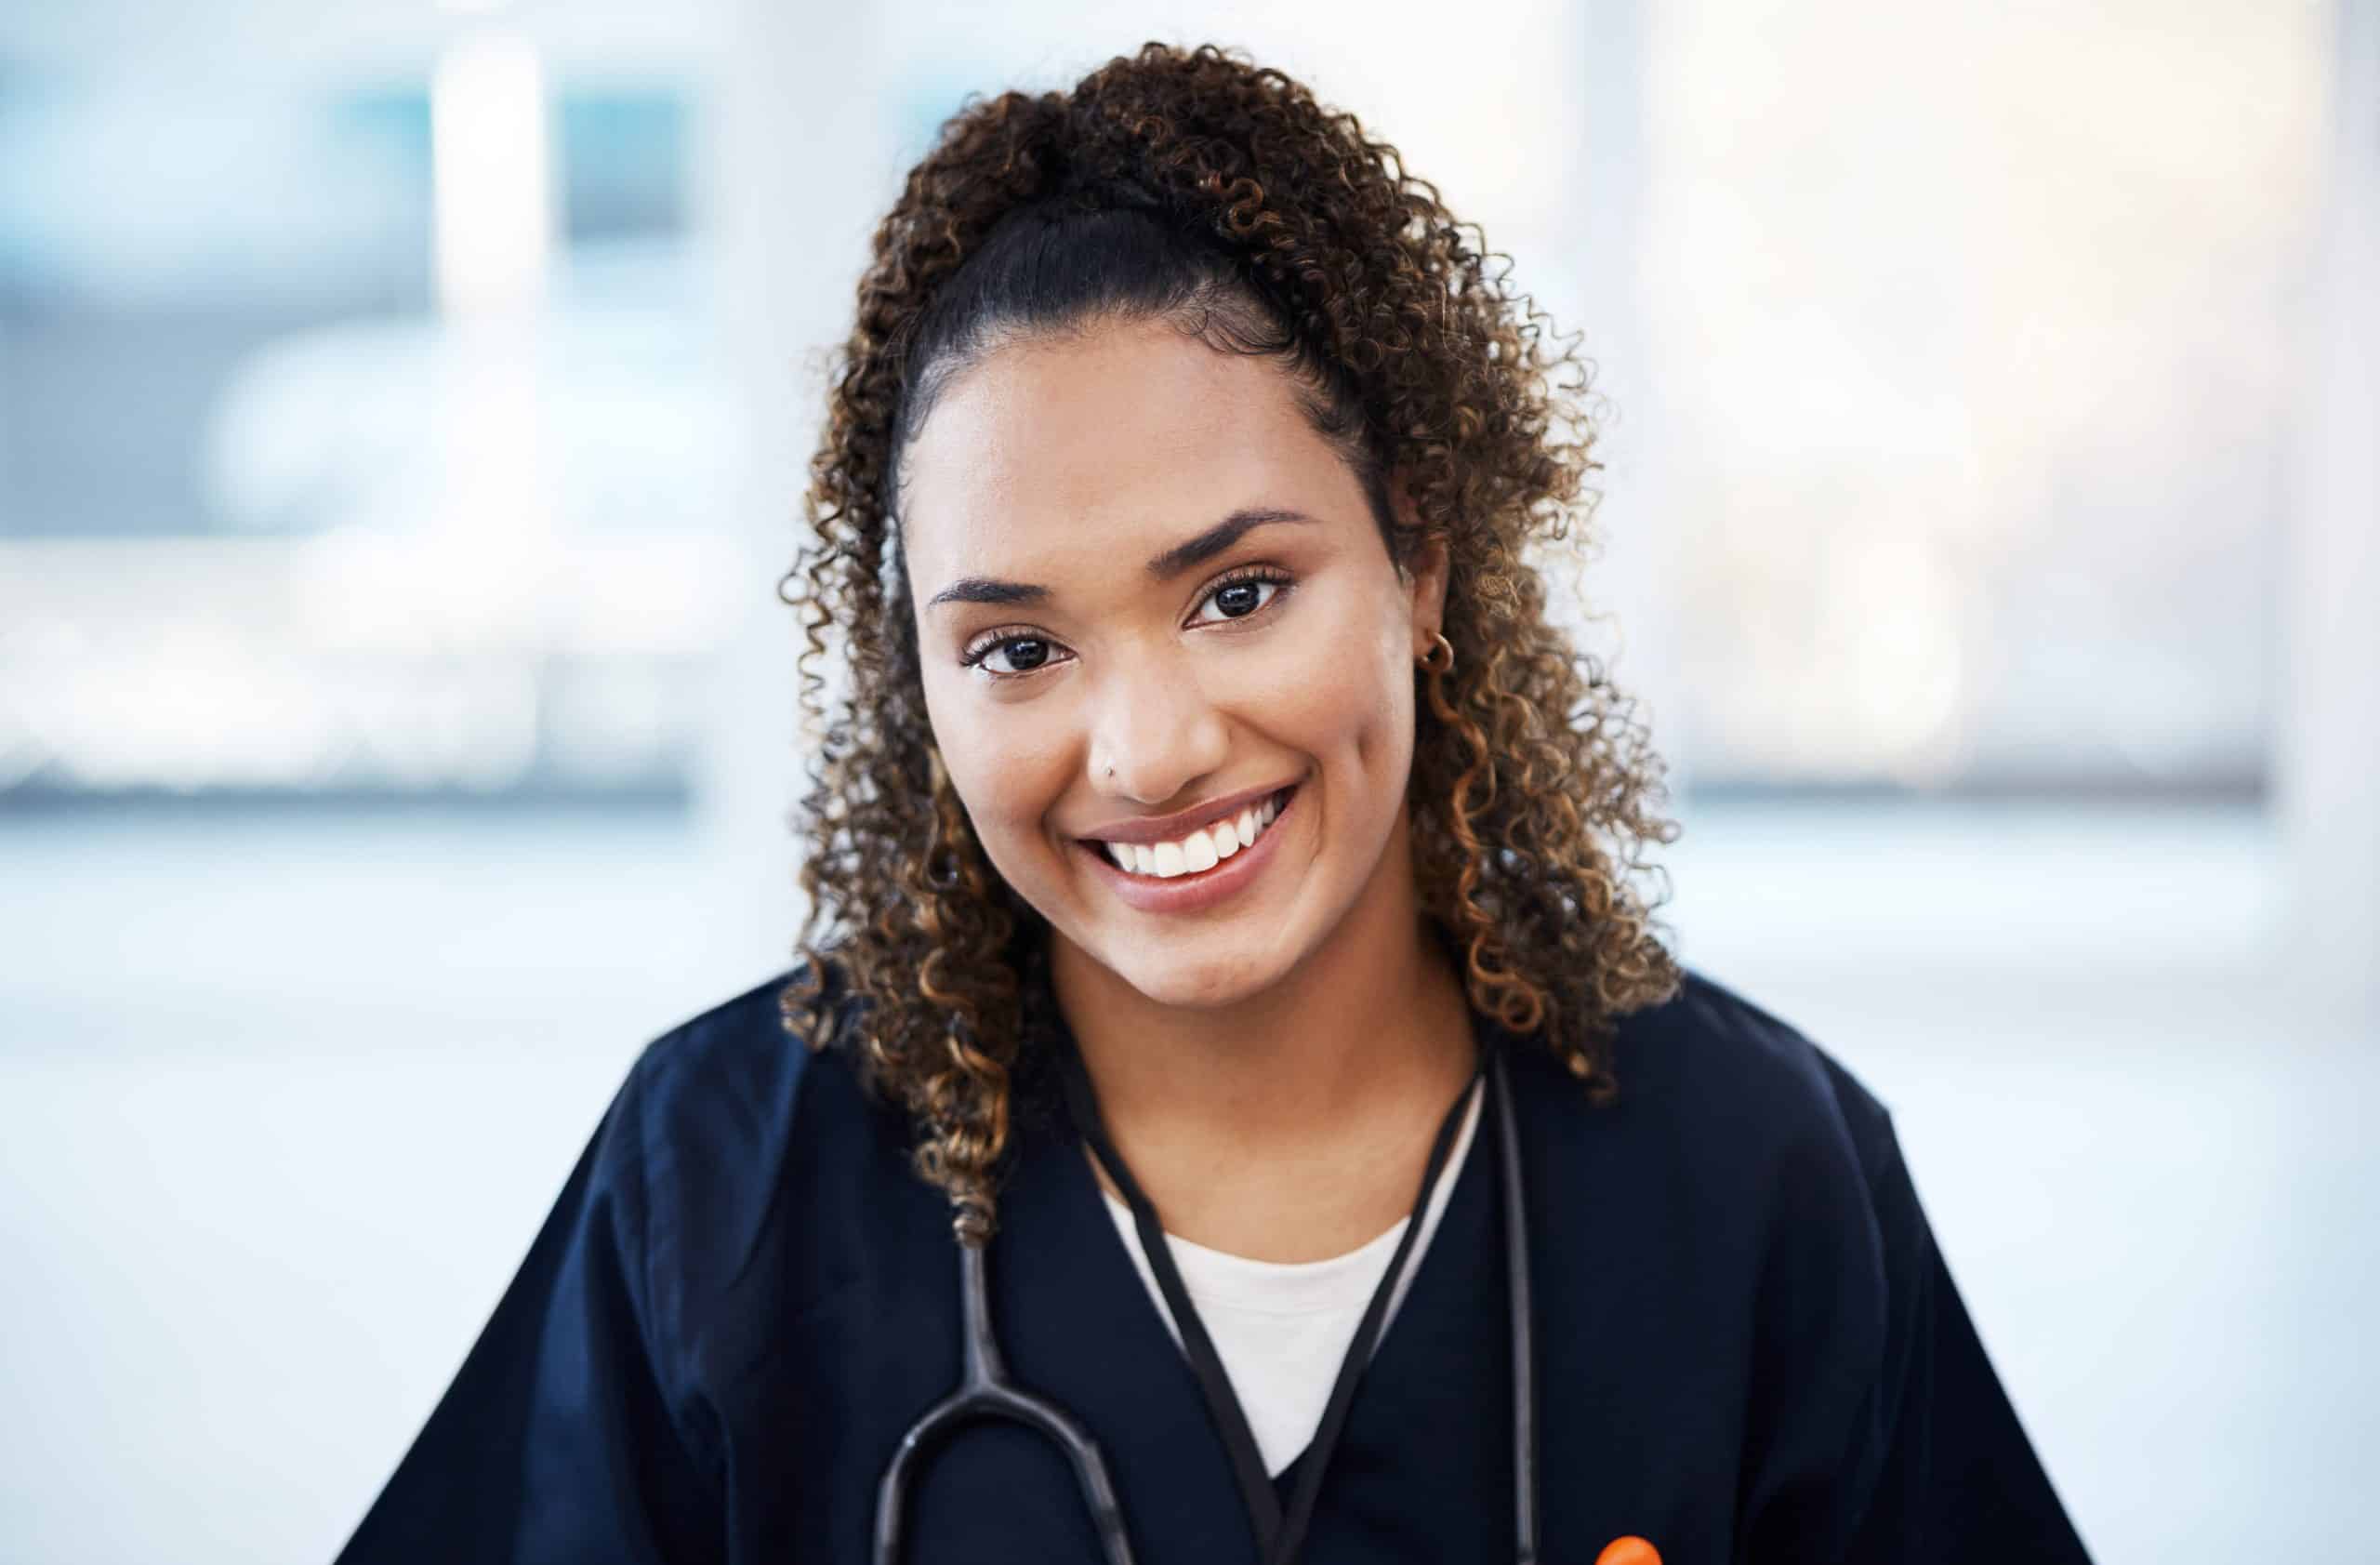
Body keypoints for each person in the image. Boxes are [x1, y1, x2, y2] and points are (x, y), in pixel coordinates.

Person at [332, 41, 2094, 1565]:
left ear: (1419, 556)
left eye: (1239, 593)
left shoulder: (1759, 1178)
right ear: (919, 683)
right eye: (1018, 646)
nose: (1148, 748)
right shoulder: (721, 1186)